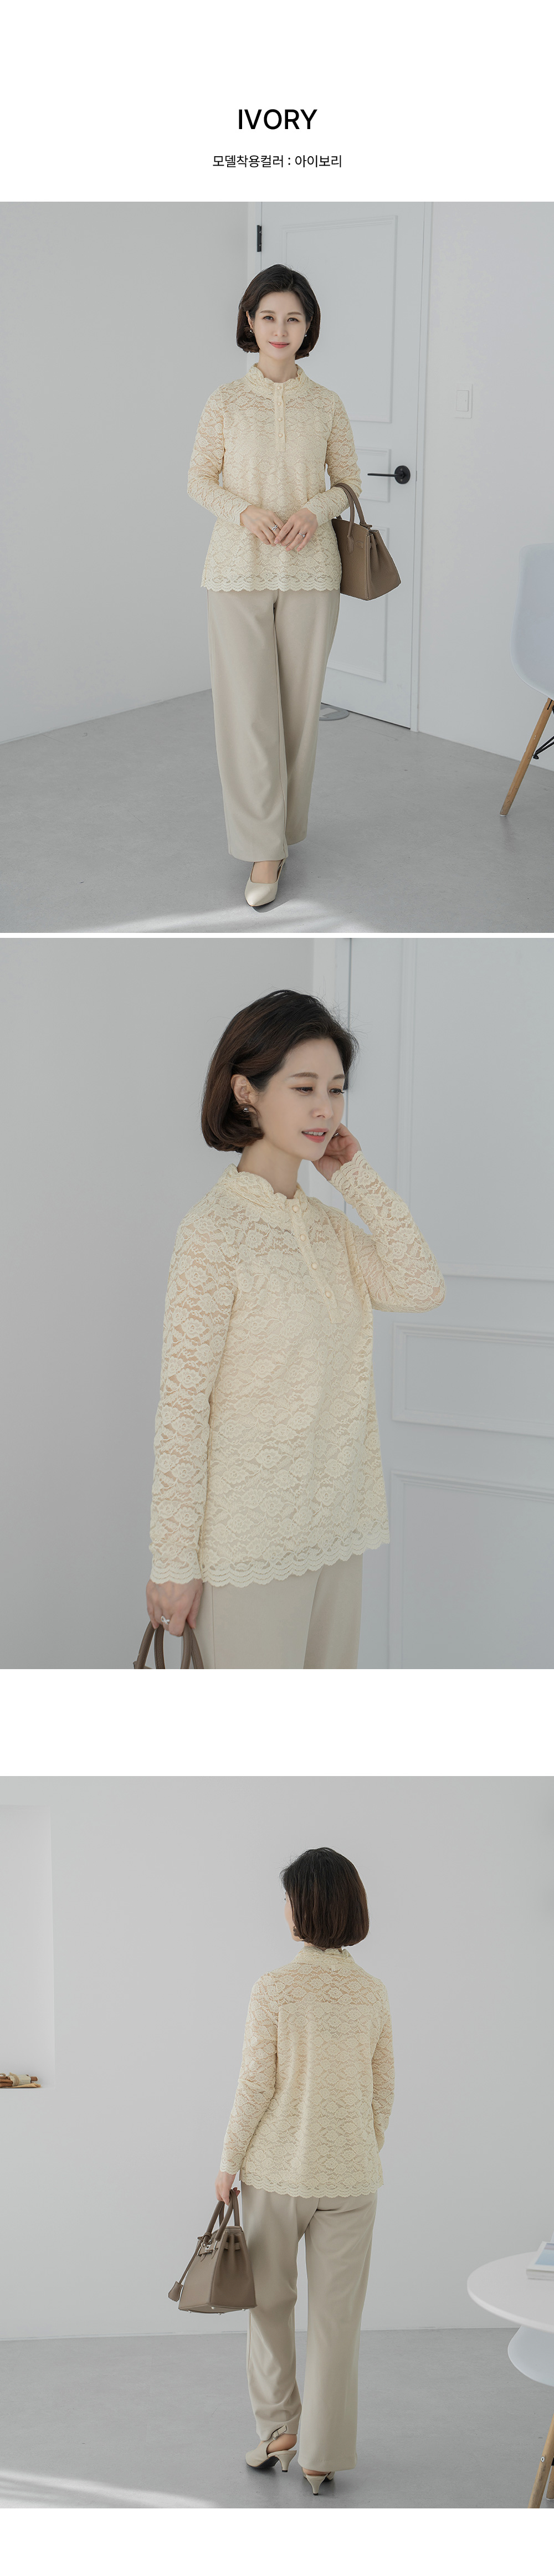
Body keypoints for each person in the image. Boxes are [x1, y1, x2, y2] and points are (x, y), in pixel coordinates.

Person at [146, 988, 445, 1670]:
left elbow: (420, 1287)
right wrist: (173, 1563)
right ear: (246, 1092)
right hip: (247, 1549)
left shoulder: (329, 1229)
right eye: (304, 1087)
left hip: (336, 1531)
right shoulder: (212, 1233)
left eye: (336, 1090)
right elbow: (184, 1408)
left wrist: (355, 1178)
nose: (325, 1109)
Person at [214, 1844, 394, 2493]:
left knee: (268, 2306)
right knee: (336, 2322)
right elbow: (382, 2092)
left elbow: (255, 2085)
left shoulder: (275, 1988)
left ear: (305, 1908)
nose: (285, 1911)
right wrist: (359, 2150)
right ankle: (321, 2456)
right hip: (353, 2181)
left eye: (289, 1900)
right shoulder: (371, 1992)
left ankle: (279, 2431)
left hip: (276, 2175)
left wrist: (228, 2160)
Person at [187, 263, 361, 907]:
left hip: (312, 574)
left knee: (296, 715)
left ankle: (282, 834)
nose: (280, 329)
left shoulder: (327, 403)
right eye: (268, 317)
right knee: (247, 715)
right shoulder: (225, 401)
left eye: (293, 317)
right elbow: (198, 479)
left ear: (308, 325)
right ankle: (263, 848)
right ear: (250, 322)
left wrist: (314, 511)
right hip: (236, 574)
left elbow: (348, 482)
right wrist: (244, 512)